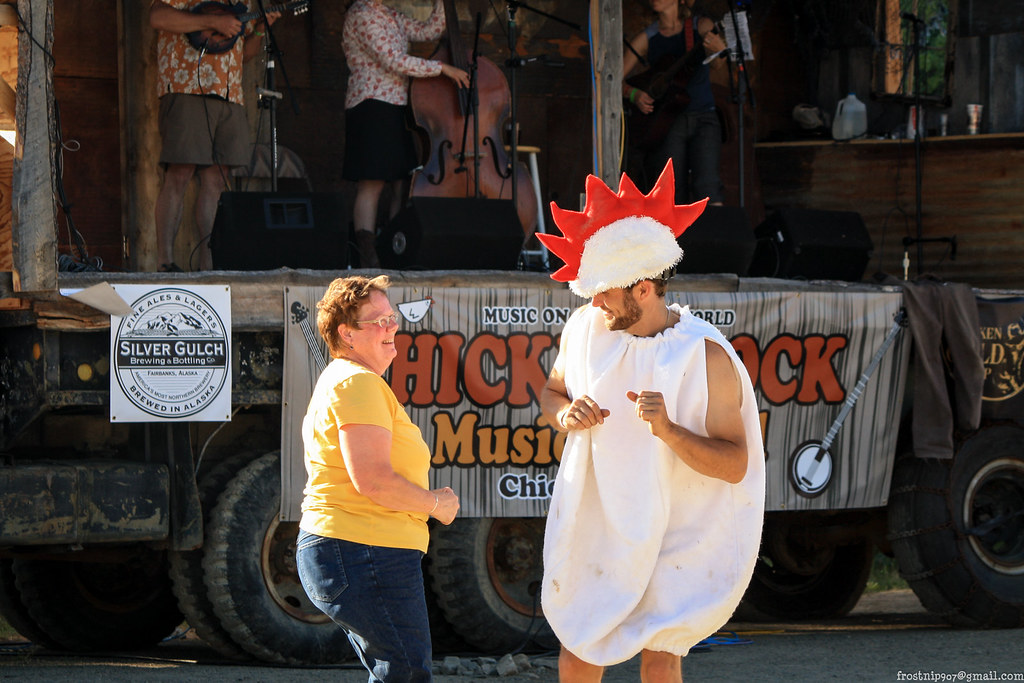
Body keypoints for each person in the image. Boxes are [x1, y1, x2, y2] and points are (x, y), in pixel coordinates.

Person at [535, 160, 765, 682]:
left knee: (660, 659)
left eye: (605, 290)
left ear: (643, 288)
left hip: (677, 531)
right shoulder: (586, 328)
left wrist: (670, 432)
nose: (594, 300)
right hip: (601, 523)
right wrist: (565, 415)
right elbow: (551, 392)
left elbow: (736, 466)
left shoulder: (706, 357)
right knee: (579, 651)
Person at [295, 274, 460, 681]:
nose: (392, 327)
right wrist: (435, 504)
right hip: (363, 550)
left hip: (356, 551)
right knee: (404, 671)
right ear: (347, 334)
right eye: (378, 321)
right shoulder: (357, 382)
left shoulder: (351, 381)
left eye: (392, 317)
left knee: (399, 670)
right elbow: (373, 481)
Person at [149, 1, 280, 272]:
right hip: (186, 86)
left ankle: (209, 266)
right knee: (179, 173)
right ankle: (165, 263)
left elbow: (243, 54)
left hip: (230, 93)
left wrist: (259, 30)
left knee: (216, 180)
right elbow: (158, 17)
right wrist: (213, 21)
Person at [342, 0, 470, 268]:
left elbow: (428, 30)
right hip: (371, 104)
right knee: (372, 182)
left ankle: (393, 246)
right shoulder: (362, 14)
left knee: (403, 180)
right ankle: (366, 254)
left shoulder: (391, 15)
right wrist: (442, 68)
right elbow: (393, 60)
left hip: (398, 106)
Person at [623, 0, 726, 205]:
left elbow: (717, 64)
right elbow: (612, 79)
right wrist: (634, 94)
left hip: (704, 116)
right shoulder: (647, 37)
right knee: (671, 190)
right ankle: (676, 237)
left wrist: (719, 50)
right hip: (668, 121)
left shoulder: (701, 25)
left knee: (707, 185)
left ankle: (715, 235)